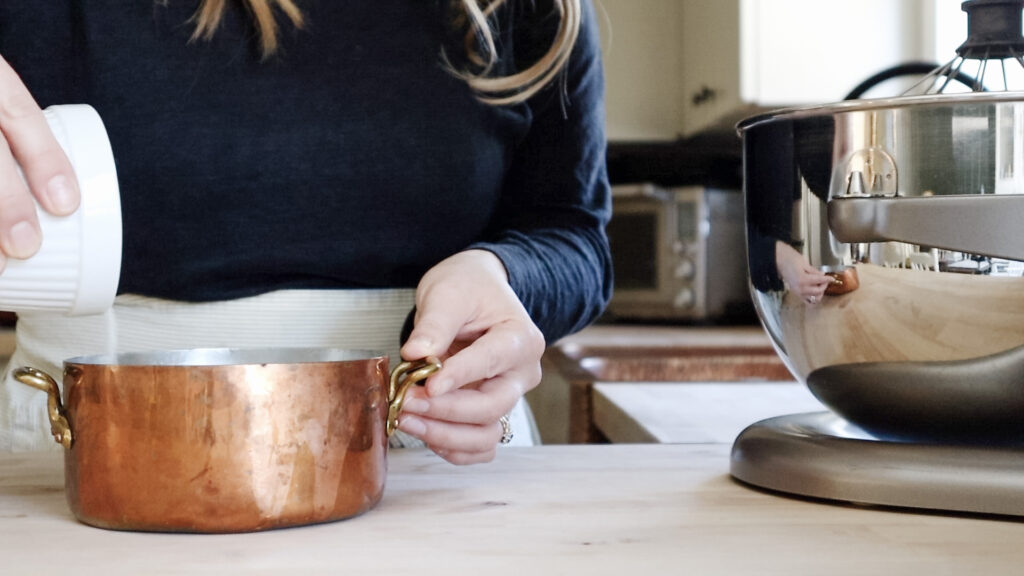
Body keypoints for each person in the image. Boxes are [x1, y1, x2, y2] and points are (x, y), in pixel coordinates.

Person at [0, 0, 612, 463]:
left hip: (442, 461)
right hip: (87, 450)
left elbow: (571, 230)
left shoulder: (535, 11)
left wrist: (500, 274)